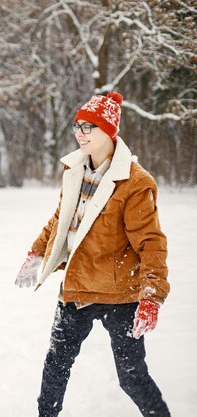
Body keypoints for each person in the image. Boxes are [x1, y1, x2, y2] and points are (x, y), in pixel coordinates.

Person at [15, 92, 171, 417]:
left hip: (121, 296)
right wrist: (36, 252)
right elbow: (61, 219)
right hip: (76, 289)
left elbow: (151, 243)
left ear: (109, 131)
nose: (80, 132)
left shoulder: (136, 183)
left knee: (132, 378)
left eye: (89, 127)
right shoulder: (74, 171)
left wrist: (151, 296)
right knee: (55, 367)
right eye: (77, 125)